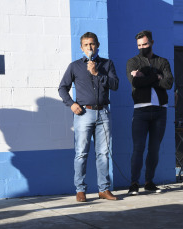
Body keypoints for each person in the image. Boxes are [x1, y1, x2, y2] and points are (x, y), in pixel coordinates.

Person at [59, 32, 119, 202]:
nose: (90, 47)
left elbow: (115, 85)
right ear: (81, 47)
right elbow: (62, 88)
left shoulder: (107, 64)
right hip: (84, 113)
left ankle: (104, 189)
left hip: (103, 113)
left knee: (103, 153)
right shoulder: (74, 66)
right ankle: (80, 190)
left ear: (97, 45)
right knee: (81, 153)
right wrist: (71, 103)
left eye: (92, 44)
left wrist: (96, 74)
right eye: (86, 45)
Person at [126, 30, 173, 195]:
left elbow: (168, 83)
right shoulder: (133, 62)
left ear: (152, 42)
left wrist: (146, 75)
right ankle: (134, 183)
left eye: (144, 44)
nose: (142, 48)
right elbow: (136, 83)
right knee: (138, 148)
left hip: (160, 111)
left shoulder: (163, 61)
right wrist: (156, 77)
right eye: (139, 45)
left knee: (154, 149)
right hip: (141, 110)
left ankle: (149, 182)